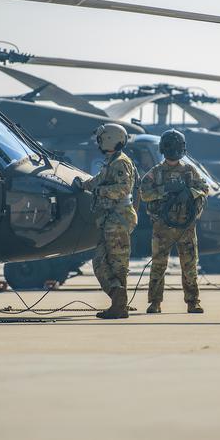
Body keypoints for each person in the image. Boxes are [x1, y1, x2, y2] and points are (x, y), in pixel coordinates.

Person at [139, 129, 209, 314]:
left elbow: (204, 188)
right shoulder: (156, 172)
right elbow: (144, 193)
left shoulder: (189, 171)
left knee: (190, 266)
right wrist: (164, 191)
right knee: (158, 265)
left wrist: (189, 193)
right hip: (162, 227)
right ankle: (155, 303)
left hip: (186, 226)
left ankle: (193, 301)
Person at [76, 123, 138, 319]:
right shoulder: (111, 161)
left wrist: (98, 191)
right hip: (110, 218)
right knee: (101, 263)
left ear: (110, 139)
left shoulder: (120, 163)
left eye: (101, 138)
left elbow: (123, 189)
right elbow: (98, 180)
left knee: (117, 263)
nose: (98, 141)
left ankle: (119, 305)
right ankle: (118, 299)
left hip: (118, 218)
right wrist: (83, 185)